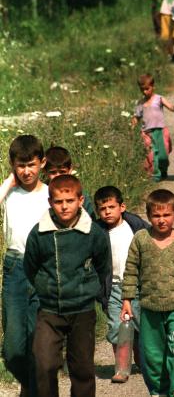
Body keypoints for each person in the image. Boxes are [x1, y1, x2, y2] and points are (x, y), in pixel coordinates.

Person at [23, 175, 110, 397]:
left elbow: (103, 266)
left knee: (82, 369)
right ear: (50, 202)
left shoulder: (93, 233)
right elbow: (30, 267)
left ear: (81, 200)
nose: (64, 207)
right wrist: (45, 288)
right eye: (59, 201)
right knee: (44, 364)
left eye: (69, 200)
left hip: (82, 310)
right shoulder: (39, 233)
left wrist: (90, 291)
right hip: (49, 311)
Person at [121, 189, 174, 397]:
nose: (161, 220)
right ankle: (158, 391)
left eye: (166, 215)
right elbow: (131, 270)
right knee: (152, 356)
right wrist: (127, 300)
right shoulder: (141, 239)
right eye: (156, 216)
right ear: (148, 217)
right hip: (150, 310)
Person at [0, 134, 49, 397]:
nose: (26, 171)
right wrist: (9, 181)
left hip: (44, 269)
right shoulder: (9, 194)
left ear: (42, 163)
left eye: (31, 164)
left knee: (37, 342)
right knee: (13, 349)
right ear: (13, 165)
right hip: (15, 269)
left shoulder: (52, 195)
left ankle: (33, 390)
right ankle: (29, 383)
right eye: (20, 165)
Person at [94, 185, 149, 383]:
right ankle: (122, 368)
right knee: (118, 326)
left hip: (138, 285)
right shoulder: (98, 232)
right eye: (102, 208)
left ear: (122, 207)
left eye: (111, 207)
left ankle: (145, 364)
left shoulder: (135, 226)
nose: (107, 212)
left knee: (141, 326)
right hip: (114, 288)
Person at [132, 73, 174, 181]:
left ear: (153, 86)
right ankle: (155, 174)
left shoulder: (159, 99)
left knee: (163, 155)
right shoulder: (140, 103)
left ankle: (163, 170)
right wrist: (133, 123)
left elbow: (170, 106)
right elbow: (137, 116)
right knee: (151, 155)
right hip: (147, 132)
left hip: (161, 131)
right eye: (142, 89)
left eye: (147, 89)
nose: (145, 92)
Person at [44, 145, 96, 219]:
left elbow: (91, 221)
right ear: (45, 172)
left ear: (70, 169)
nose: (58, 176)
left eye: (62, 172)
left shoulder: (79, 193)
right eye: (53, 172)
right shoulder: (42, 192)